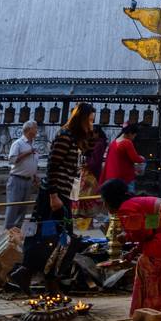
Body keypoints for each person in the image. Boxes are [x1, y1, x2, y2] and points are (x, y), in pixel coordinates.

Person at [9, 102, 95, 294]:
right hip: (53, 197)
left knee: (61, 239)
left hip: (65, 195)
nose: (91, 125)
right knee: (45, 237)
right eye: (89, 121)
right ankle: (33, 273)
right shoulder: (64, 136)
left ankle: (48, 278)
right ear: (80, 119)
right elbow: (53, 166)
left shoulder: (74, 139)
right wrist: (54, 195)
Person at [100, 178, 161, 318]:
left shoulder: (126, 208)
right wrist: (134, 250)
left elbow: (145, 234)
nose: (103, 204)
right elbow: (149, 232)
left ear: (109, 200)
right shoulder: (134, 203)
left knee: (147, 263)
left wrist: (127, 238)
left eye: (103, 200)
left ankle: (156, 311)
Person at [5, 120, 40, 229]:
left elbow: (31, 163)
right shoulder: (18, 143)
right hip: (17, 179)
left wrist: (34, 175)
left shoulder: (32, 144)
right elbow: (12, 160)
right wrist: (28, 152)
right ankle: (8, 233)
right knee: (13, 206)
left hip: (28, 180)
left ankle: (17, 231)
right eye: (35, 128)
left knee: (23, 208)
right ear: (29, 130)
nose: (37, 130)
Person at [73, 124, 108, 232]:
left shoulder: (99, 144)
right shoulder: (98, 143)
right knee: (86, 198)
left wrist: (86, 164)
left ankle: (88, 222)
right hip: (89, 173)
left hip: (91, 174)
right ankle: (86, 222)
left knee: (86, 198)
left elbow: (95, 162)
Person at [101, 121, 144, 190]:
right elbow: (135, 159)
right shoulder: (127, 143)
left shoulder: (114, 143)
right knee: (128, 198)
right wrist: (142, 158)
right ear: (130, 133)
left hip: (112, 176)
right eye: (134, 135)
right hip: (124, 177)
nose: (134, 138)